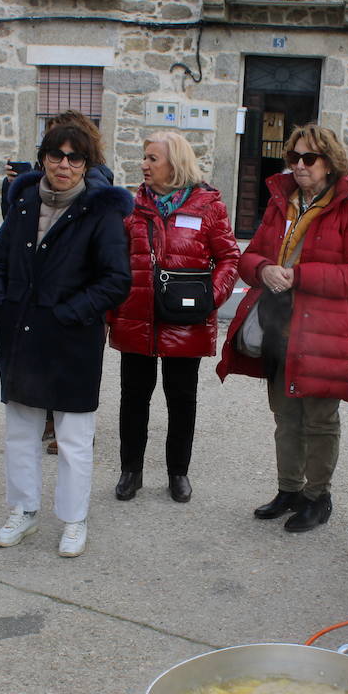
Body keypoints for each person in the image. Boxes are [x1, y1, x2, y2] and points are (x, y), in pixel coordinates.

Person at [217, 123, 348, 532]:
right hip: (280, 328)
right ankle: (288, 490)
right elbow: (248, 257)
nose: (300, 166)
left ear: (329, 163)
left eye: (309, 158)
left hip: (326, 335)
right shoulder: (281, 203)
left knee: (319, 421)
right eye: (294, 158)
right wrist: (266, 269)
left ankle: (316, 497)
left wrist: (298, 275)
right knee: (284, 416)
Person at [0, 122, 132, 557]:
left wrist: (70, 313)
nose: (64, 165)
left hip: (71, 340)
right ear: (44, 156)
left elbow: (116, 279)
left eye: (75, 158)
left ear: (87, 164)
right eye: (56, 155)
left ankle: (73, 520)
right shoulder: (25, 202)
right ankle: (23, 512)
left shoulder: (100, 212)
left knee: (72, 438)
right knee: (20, 432)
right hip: (20, 335)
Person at [109, 132, 240, 503]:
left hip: (186, 323)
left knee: (181, 401)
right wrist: (111, 310)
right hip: (137, 318)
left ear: (175, 164)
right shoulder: (130, 206)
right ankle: (130, 471)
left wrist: (209, 299)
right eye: (144, 157)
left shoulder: (207, 206)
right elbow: (113, 260)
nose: (144, 165)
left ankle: (178, 473)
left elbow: (230, 258)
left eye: (152, 158)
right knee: (133, 399)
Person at [1, 110, 114, 455]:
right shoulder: (35, 187)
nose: (62, 160)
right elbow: (11, 234)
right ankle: (50, 422)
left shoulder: (98, 182)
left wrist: (83, 304)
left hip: (76, 293)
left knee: (72, 369)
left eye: (71, 152)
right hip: (40, 291)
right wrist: (12, 185)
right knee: (42, 360)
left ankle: (76, 434)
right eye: (52, 147)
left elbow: (107, 261)